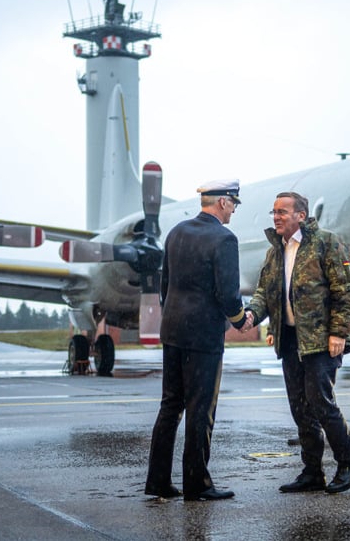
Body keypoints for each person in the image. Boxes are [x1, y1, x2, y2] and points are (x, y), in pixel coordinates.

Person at [245, 191, 350, 494]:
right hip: (290, 339)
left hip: (322, 340)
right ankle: (312, 472)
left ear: (301, 215)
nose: (277, 217)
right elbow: (265, 294)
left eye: (283, 211)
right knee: (300, 408)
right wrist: (250, 316)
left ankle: (348, 465)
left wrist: (339, 332)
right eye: (274, 212)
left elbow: (345, 290)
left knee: (321, 403)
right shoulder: (276, 251)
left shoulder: (325, 242)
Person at [145, 178, 251, 501]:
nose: (233, 209)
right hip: (203, 336)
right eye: (233, 203)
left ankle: (158, 481)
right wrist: (239, 319)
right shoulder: (225, 239)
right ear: (221, 203)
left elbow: (165, 286)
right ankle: (197, 483)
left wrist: (173, 317)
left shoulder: (176, 233)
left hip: (173, 332)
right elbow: (228, 293)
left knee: (170, 406)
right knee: (200, 409)